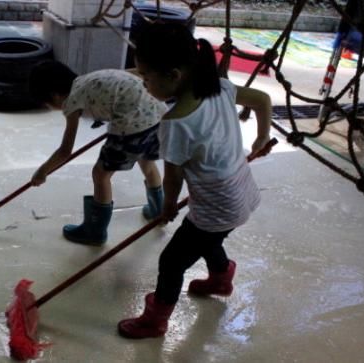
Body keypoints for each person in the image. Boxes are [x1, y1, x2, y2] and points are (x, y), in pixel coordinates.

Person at [118, 23, 272, 339]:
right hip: (240, 192)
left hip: (216, 204)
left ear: (174, 75)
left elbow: (173, 176)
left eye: (146, 77)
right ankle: (220, 277)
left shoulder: (176, 123)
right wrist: (262, 137)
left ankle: (156, 320)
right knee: (207, 238)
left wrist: (168, 207)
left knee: (172, 261)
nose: (144, 83)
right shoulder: (221, 87)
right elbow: (261, 99)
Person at [28, 60, 169, 245]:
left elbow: (65, 151)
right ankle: (158, 212)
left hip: (132, 124)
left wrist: (43, 171)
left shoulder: (72, 101)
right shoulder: (89, 78)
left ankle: (95, 231)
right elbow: (130, 77)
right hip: (159, 115)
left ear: (55, 96)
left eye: (46, 104)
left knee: (101, 174)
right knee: (147, 162)